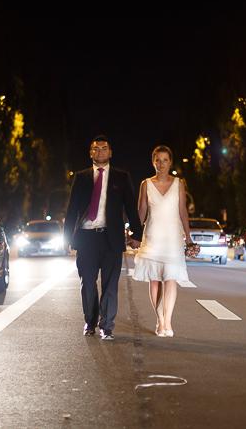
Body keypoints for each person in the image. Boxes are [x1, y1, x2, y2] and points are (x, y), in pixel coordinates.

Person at [63, 136, 143, 340]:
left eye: (104, 148)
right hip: (86, 238)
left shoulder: (121, 177)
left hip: (111, 238)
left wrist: (137, 234)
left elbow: (131, 207)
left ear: (110, 152)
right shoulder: (81, 177)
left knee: (110, 285)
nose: (100, 152)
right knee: (88, 283)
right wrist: (66, 238)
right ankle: (90, 322)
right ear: (91, 152)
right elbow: (72, 209)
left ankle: (107, 326)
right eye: (96, 148)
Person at [132, 145, 193, 337]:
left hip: (173, 238)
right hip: (152, 237)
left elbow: (183, 211)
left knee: (171, 278)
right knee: (155, 280)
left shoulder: (179, 184)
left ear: (170, 162)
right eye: (157, 160)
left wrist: (188, 236)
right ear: (153, 162)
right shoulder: (146, 184)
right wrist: (135, 235)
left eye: (165, 159)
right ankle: (159, 319)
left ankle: (168, 321)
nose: (161, 163)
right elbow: (142, 211)